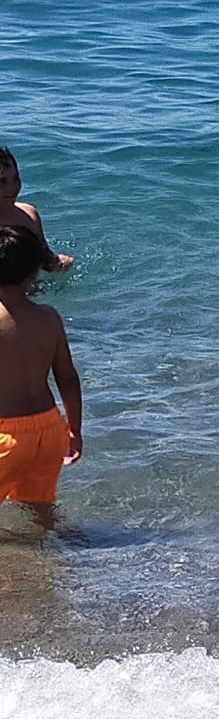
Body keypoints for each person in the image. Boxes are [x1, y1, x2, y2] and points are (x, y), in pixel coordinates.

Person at [0, 224, 82, 514]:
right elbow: (68, 379)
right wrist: (74, 430)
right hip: (48, 431)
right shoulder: (49, 318)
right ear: (34, 272)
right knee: (39, 508)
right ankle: (44, 543)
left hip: (5, 436)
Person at [0, 148, 71, 274]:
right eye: (2, 182)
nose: (12, 187)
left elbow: (44, 254)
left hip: (32, 284)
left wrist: (56, 262)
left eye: (16, 178)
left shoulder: (29, 214)